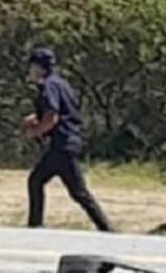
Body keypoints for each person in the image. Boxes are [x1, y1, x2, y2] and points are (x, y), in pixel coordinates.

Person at [23, 48, 111, 232]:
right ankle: (105, 228)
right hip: (69, 142)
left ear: (39, 68)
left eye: (31, 66)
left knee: (37, 180)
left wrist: (36, 131)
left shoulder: (49, 86)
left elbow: (52, 117)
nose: (29, 70)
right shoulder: (60, 83)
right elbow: (63, 112)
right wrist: (36, 118)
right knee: (78, 192)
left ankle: (35, 226)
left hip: (61, 144)